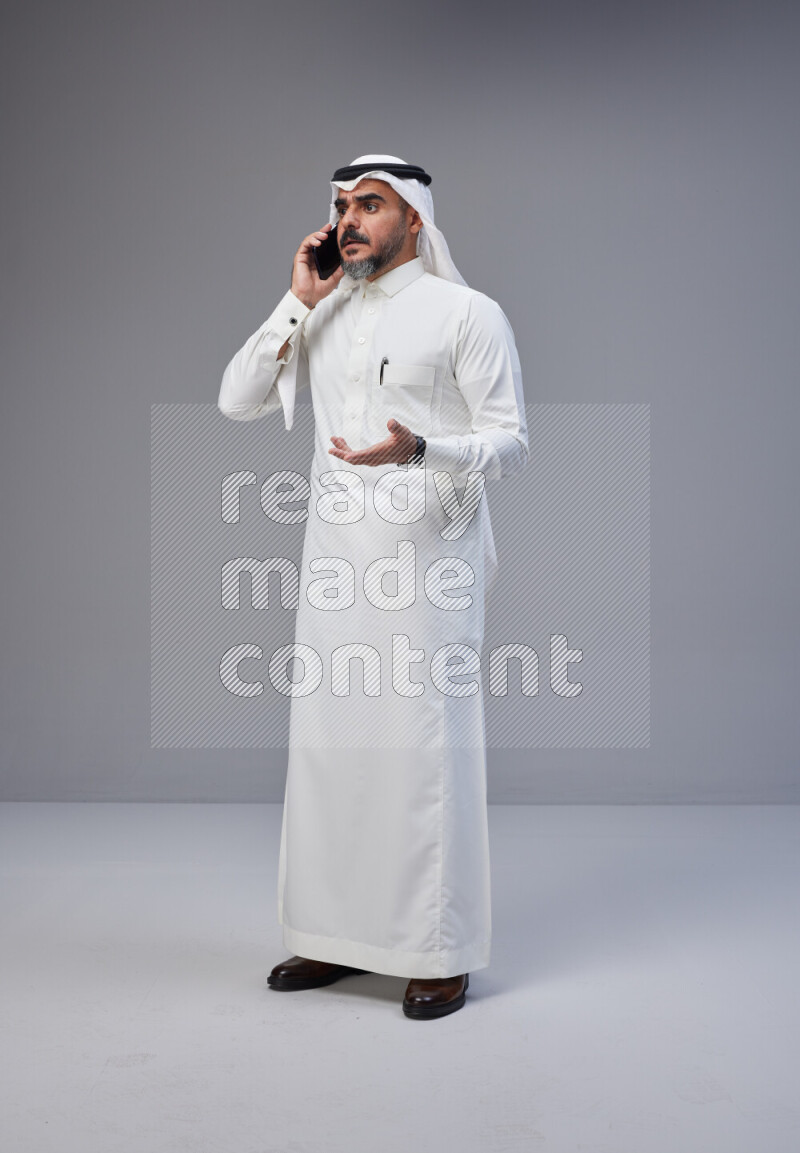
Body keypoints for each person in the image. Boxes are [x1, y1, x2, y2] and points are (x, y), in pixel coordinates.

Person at [217, 154, 528, 1019]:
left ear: (415, 220)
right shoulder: (322, 311)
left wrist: (422, 449)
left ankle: (439, 950)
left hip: (429, 563)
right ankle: (331, 935)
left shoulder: (467, 313)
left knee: (425, 753)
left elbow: (511, 443)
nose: (349, 219)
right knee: (332, 748)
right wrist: (297, 301)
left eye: (371, 204)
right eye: (342, 205)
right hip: (335, 564)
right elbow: (237, 398)